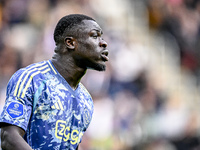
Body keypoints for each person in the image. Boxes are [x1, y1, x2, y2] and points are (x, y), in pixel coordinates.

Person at [0, 14, 109, 150]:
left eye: (102, 37)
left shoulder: (85, 100)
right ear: (70, 43)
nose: (103, 43)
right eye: (94, 36)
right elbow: (8, 138)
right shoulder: (31, 79)